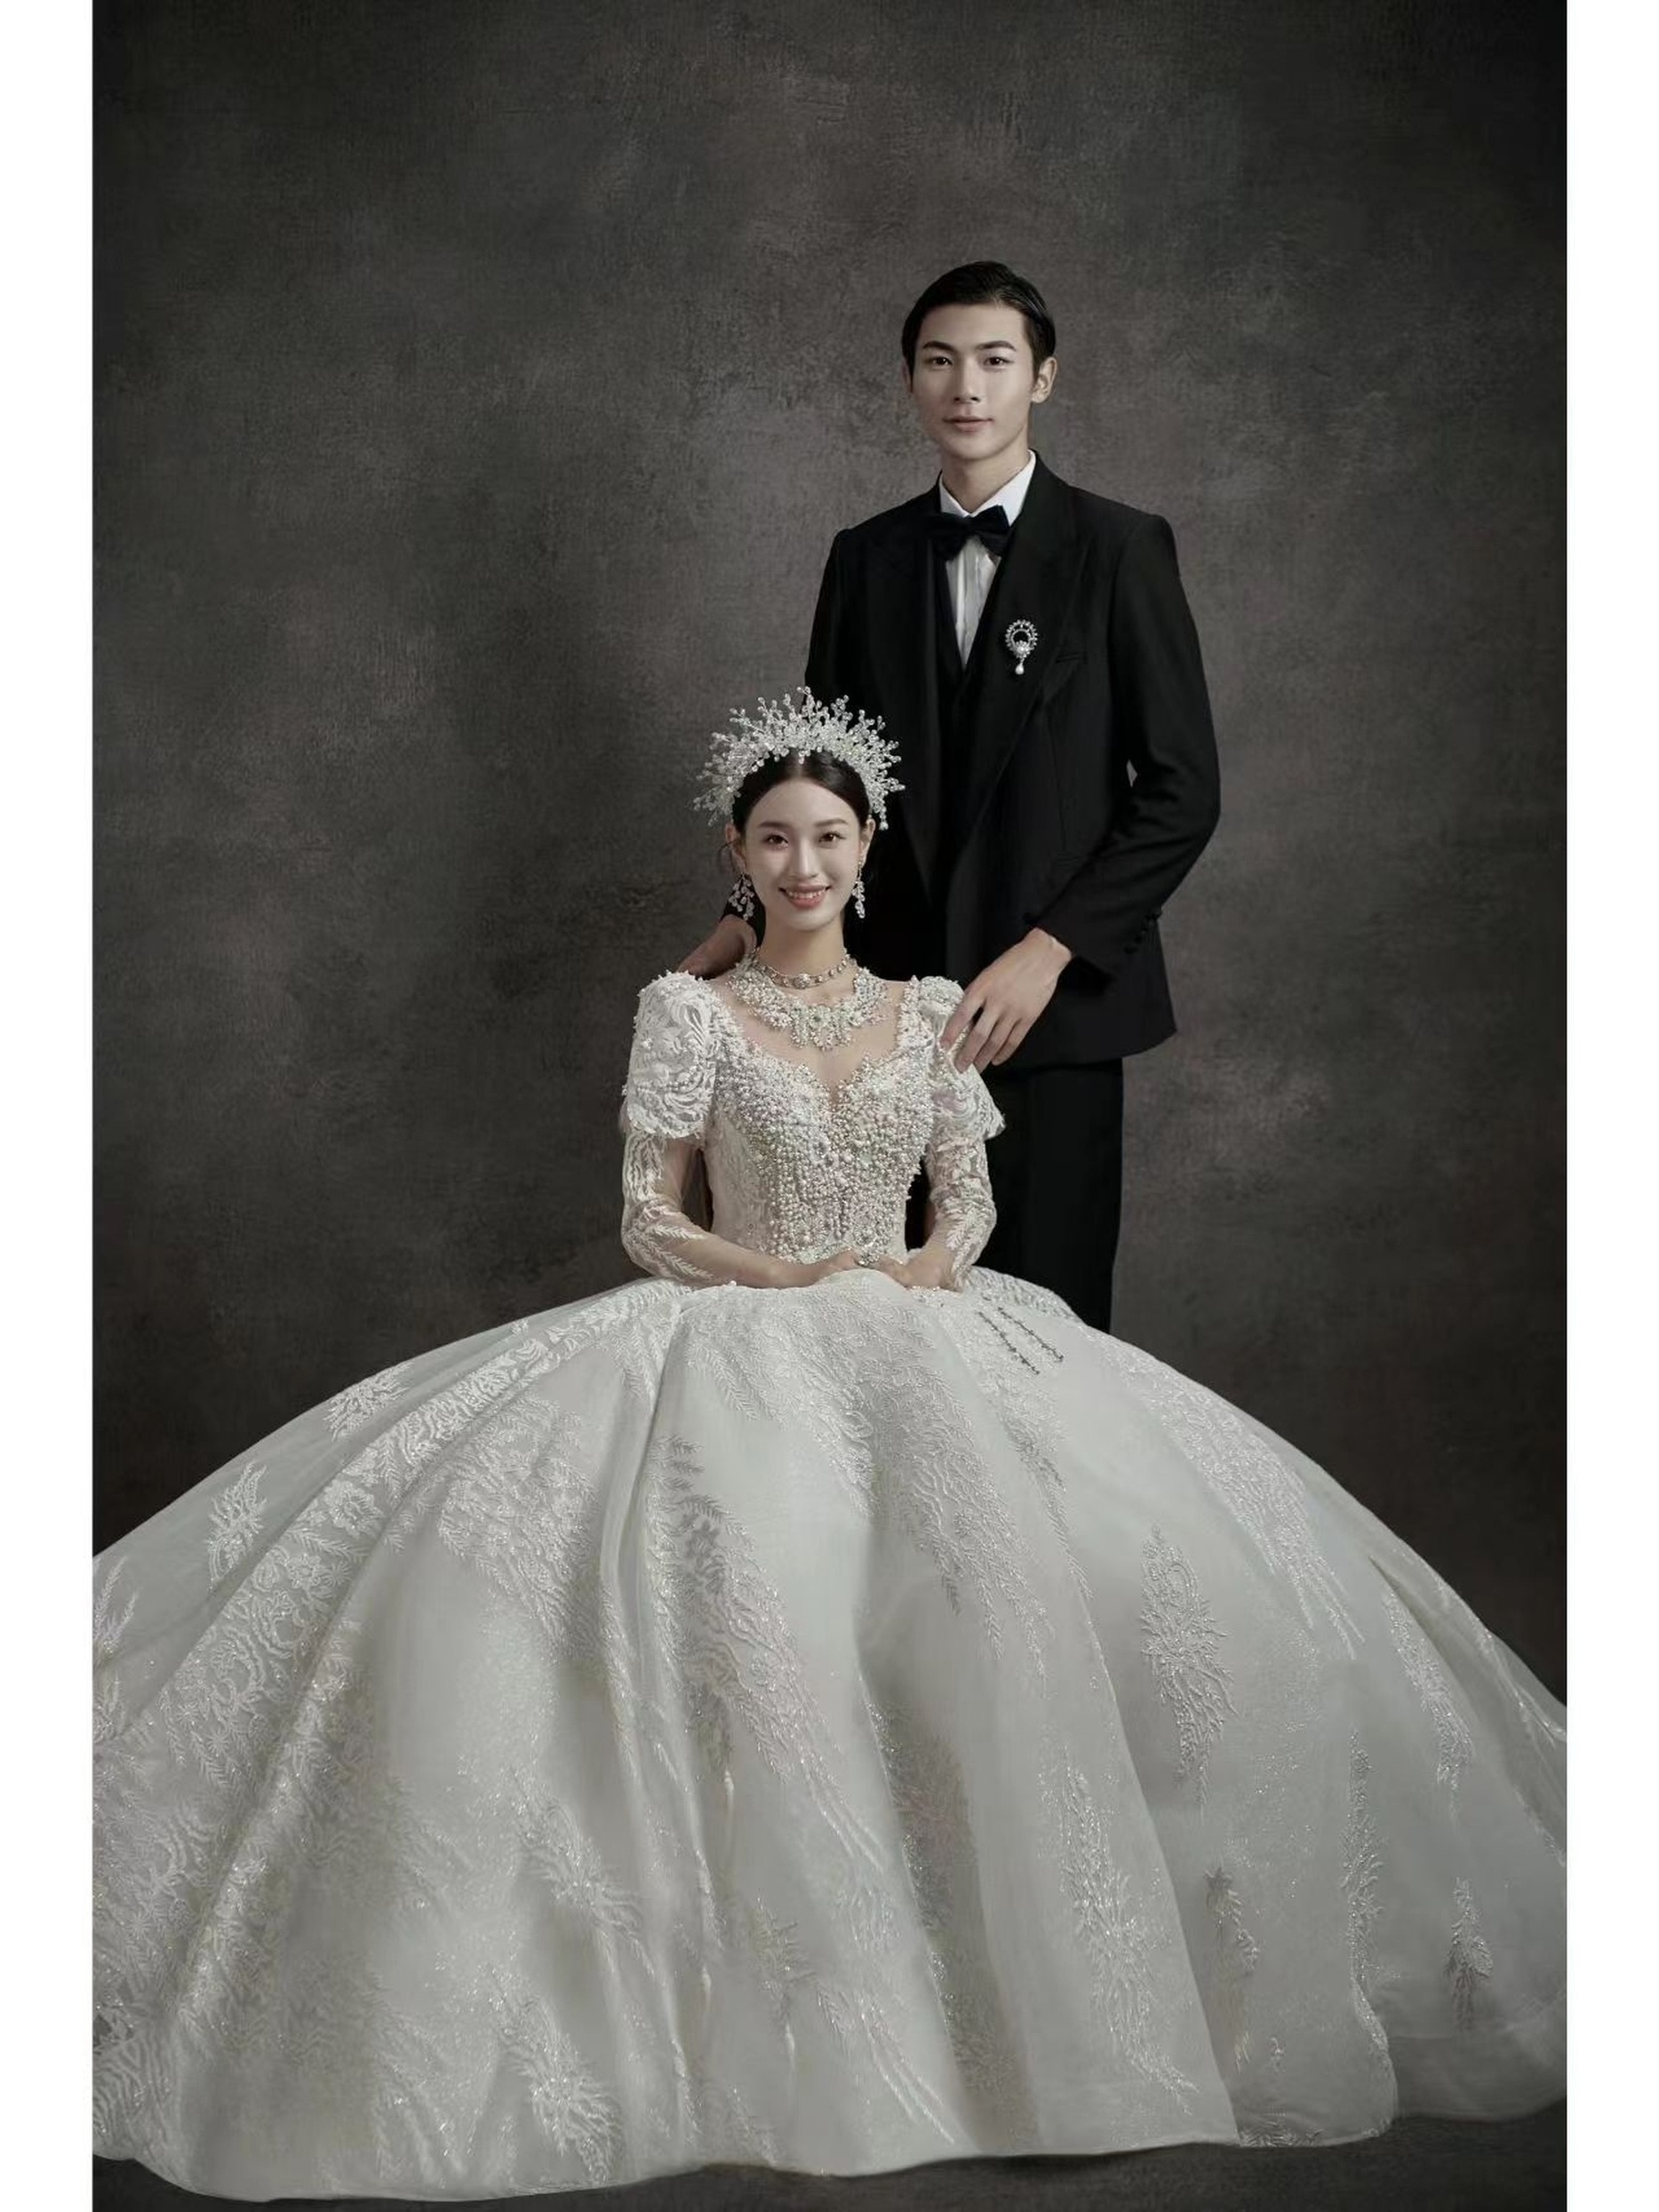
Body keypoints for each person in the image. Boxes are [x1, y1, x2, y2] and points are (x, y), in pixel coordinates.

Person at [94, 696, 1563, 2203]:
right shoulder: (686, 1011)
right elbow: (649, 1216)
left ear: (866, 851)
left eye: (828, 838)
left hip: (920, 1318)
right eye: (775, 839)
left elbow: (965, 1196)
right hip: (740, 1319)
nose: (803, 864)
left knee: (1074, 1591)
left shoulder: (928, 1010)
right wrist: (788, 1279)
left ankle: (1041, 1999)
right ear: (736, 854)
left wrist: (923, 1275)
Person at [682, 262, 1221, 1333]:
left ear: (1042, 378)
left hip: (1051, 1020)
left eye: (994, 360)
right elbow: (824, 785)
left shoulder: (1119, 548)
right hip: (882, 1023)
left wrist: (1051, 949)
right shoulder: (864, 558)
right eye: (939, 361)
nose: (965, 387)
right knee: (880, 1332)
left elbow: (1181, 791)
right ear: (909, 382)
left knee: (1042, 1341)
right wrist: (748, 915)